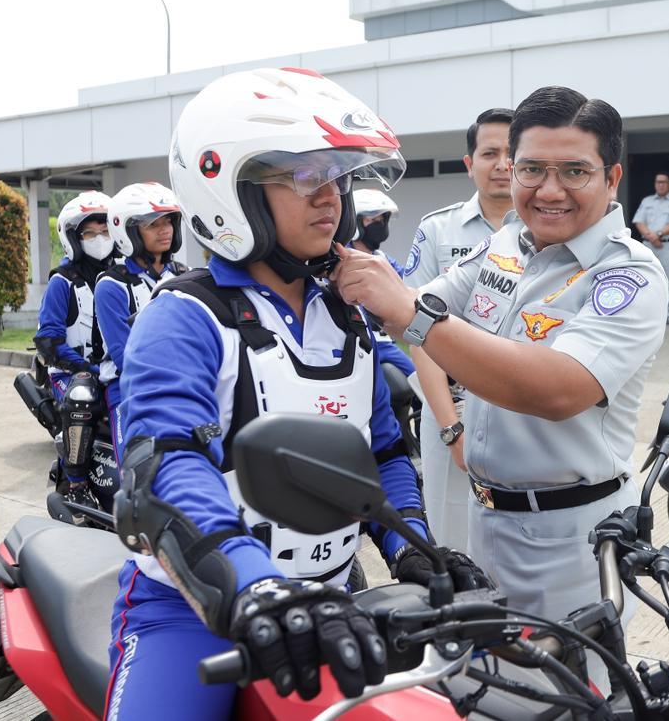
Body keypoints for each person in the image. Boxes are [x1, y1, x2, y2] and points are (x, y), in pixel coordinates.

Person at [105, 68, 488, 718]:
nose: (331, 198)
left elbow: (384, 456)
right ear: (232, 188)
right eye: (304, 176)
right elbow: (165, 463)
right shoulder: (186, 315)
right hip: (194, 609)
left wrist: (413, 550)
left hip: (326, 605)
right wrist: (256, 585)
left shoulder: (347, 314)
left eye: (338, 178)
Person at [333, 86, 667, 682]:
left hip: (571, 542)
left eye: (574, 171)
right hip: (484, 521)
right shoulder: (509, 243)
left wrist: (409, 313)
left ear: (612, 177)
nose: (549, 189)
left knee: (567, 693)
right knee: (483, 688)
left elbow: (558, 389)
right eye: (533, 169)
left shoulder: (629, 274)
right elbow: (428, 304)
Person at [402, 106, 514, 553]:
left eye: (512, 152)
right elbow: (419, 334)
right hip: (454, 407)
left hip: (523, 409)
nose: (502, 163)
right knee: (452, 538)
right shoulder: (437, 231)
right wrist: (451, 430)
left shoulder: (549, 234)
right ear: (470, 165)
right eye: (490, 153)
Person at [93, 182, 187, 457]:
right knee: (135, 469)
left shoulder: (184, 276)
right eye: (153, 224)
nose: (165, 229)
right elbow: (124, 355)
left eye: (169, 220)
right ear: (129, 231)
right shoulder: (112, 285)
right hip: (128, 387)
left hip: (180, 381)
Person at [34, 191, 114, 508]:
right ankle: (76, 483)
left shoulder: (123, 275)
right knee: (83, 398)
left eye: (105, 230)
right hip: (73, 370)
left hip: (117, 365)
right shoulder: (62, 282)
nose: (99, 238)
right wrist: (87, 368)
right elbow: (48, 340)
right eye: (90, 233)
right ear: (74, 238)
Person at [350, 187, 414, 378]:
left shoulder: (383, 259)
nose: (379, 225)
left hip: (385, 340)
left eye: (382, 220)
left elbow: (410, 282)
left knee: (419, 381)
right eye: (372, 220)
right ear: (355, 223)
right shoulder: (341, 257)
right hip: (355, 341)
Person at [632, 172, 669, 327]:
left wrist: (659, 234)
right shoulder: (647, 201)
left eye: (664, 182)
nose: (660, 185)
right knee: (647, 281)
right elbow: (639, 222)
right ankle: (650, 317)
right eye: (658, 182)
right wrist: (651, 236)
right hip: (649, 246)